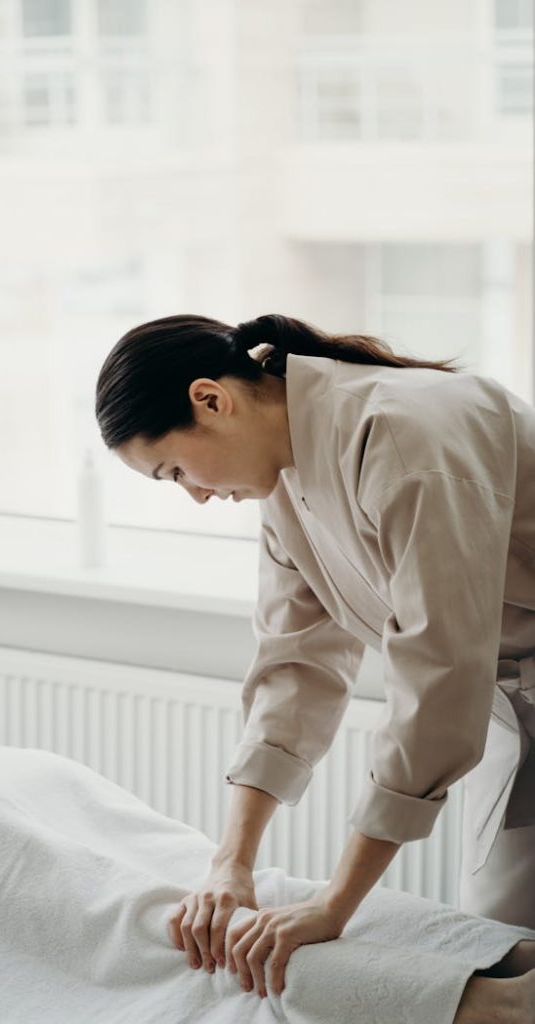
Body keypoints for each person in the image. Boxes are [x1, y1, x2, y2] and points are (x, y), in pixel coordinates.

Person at [94, 312, 535, 994]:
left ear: (211, 399)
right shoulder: (284, 483)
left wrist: (336, 903)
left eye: (176, 469)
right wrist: (230, 864)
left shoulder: (403, 433)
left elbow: (441, 674)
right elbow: (293, 669)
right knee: (506, 944)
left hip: (490, 689)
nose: (199, 496)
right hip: (513, 711)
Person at [0, 733, 535, 1023]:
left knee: (186, 947)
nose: (195, 496)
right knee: (233, 904)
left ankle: (496, 1008)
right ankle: (502, 961)